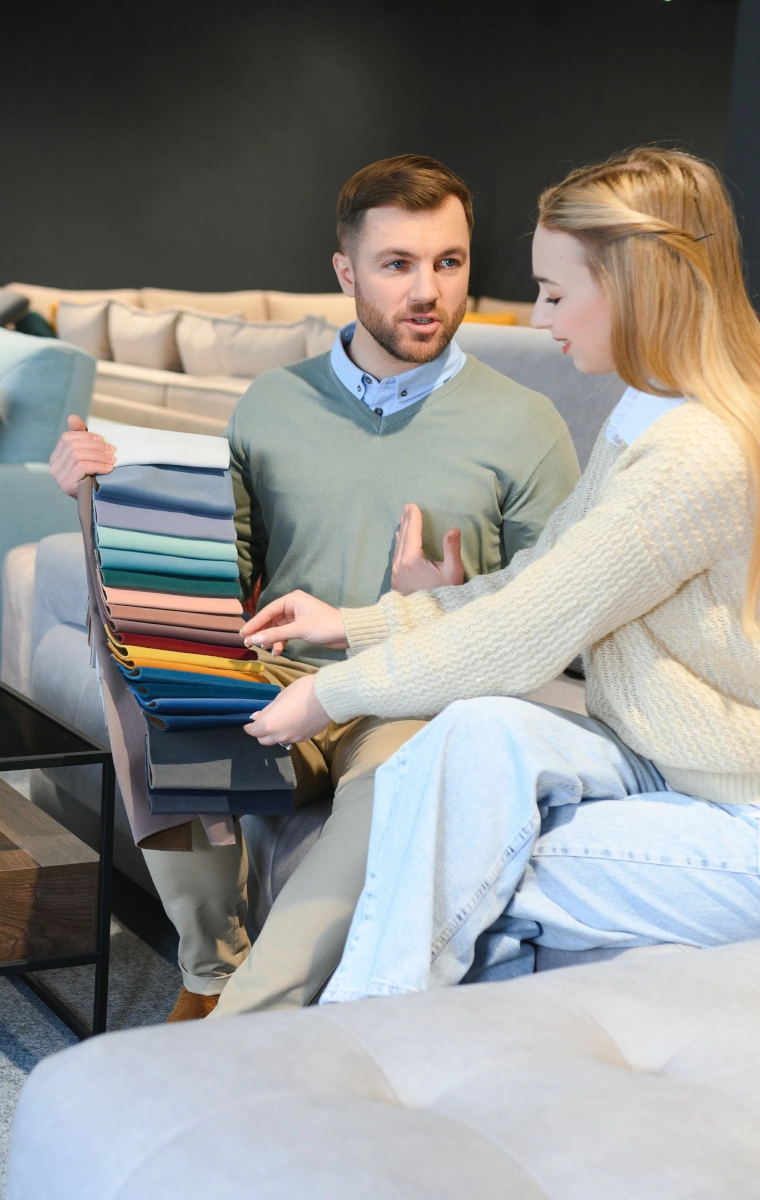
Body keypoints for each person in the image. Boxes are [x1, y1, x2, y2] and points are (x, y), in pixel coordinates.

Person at [50, 155, 582, 1019]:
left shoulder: (524, 424)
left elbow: (562, 610)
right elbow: (219, 571)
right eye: (397, 264)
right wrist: (101, 492)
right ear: (345, 273)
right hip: (281, 689)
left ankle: (239, 1025)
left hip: (416, 696)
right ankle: (209, 966)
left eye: (449, 263)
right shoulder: (272, 403)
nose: (428, 291)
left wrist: (445, 597)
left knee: (407, 778)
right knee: (123, 646)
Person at [238, 147, 760, 1005]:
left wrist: (332, 693)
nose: (537, 315)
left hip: (726, 806)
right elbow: (526, 584)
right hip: (659, 757)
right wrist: (352, 625)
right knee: (474, 739)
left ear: (633, 287)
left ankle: (342, 1043)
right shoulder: (647, 416)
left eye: (555, 292)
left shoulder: (695, 456)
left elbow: (528, 630)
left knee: (443, 856)